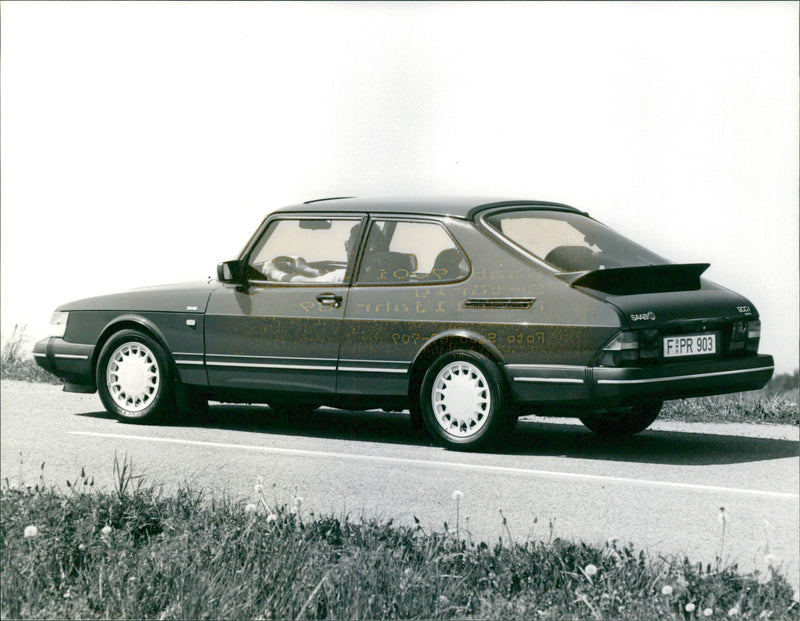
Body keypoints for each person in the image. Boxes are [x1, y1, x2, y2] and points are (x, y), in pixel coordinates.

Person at [262, 224, 361, 283]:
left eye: (348, 245)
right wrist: (307, 269)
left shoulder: (345, 275)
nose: (346, 249)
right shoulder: (367, 272)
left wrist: (275, 273)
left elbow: (309, 283)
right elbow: (330, 278)